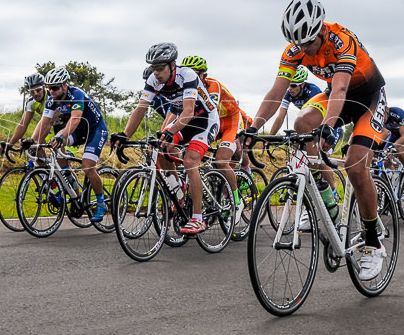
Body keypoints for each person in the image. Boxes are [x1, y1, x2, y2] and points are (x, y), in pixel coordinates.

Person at [244, 0, 389, 281]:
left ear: (320, 29)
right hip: (337, 96)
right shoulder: (295, 50)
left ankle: (373, 241)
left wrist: (330, 124)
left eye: (309, 43)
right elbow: (276, 92)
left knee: (355, 165)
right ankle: (325, 196)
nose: (306, 50)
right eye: (300, 44)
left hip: (367, 97)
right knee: (301, 123)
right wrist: (254, 126)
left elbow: (340, 89)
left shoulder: (342, 40)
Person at [115, 43, 220, 236]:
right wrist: (124, 135)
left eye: (160, 67)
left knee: (190, 160)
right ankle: (179, 190)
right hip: (185, 120)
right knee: (161, 151)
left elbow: (188, 112)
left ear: (172, 65)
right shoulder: (154, 80)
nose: (156, 72)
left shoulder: (187, 75)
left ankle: (197, 219)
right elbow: (140, 109)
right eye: (153, 68)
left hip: (204, 120)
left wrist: (171, 131)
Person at [27, 67, 110, 222]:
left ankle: (101, 202)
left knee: (87, 166)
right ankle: (69, 180)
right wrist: (33, 141)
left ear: (65, 85)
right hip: (77, 131)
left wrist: (63, 136)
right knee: (56, 147)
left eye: (55, 87)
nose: (51, 91)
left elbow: (76, 119)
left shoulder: (76, 94)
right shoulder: (51, 100)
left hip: (95, 129)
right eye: (49, 88)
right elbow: (44, 123)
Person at [179, 55, 250, 223]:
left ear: (204, 75)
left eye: (196, 74)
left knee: (221, 160)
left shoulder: (213, 85)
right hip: (213, 123)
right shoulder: (188, 89)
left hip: (230, 121)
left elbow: (209, 111)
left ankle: (236, 201)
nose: (193, 77)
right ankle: (213, 189)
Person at [266, 65, 322, 135]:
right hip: (308, 119)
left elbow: (309, 116)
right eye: (288, 85)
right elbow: (280, 117)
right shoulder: (288, 94)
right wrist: (270, 137)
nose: (290, 88)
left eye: (293, 85)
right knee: (297, 141)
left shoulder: (313, 90)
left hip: (325, 120)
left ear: (302, 84)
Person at [2, 73, 47, 154]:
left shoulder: (52, 97)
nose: (35, 93)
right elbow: (23, 125)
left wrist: (33, 140)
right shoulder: (31, 102)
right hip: (48, 127)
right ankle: (44, 166)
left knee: (61, 157)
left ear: (44, 87)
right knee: (33, 150)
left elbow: (46, 121)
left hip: (64, 127)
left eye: (38, 90)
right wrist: (10, 144)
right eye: (32, 92)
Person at [381, 106, 404, 170]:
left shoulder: (398, 112)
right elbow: (383, 134)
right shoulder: (379, 118)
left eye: (382, 115)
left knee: (399, 148)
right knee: (384, 162)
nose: (381, 118)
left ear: (387, 110)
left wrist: (393, 146)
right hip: (394, 137)